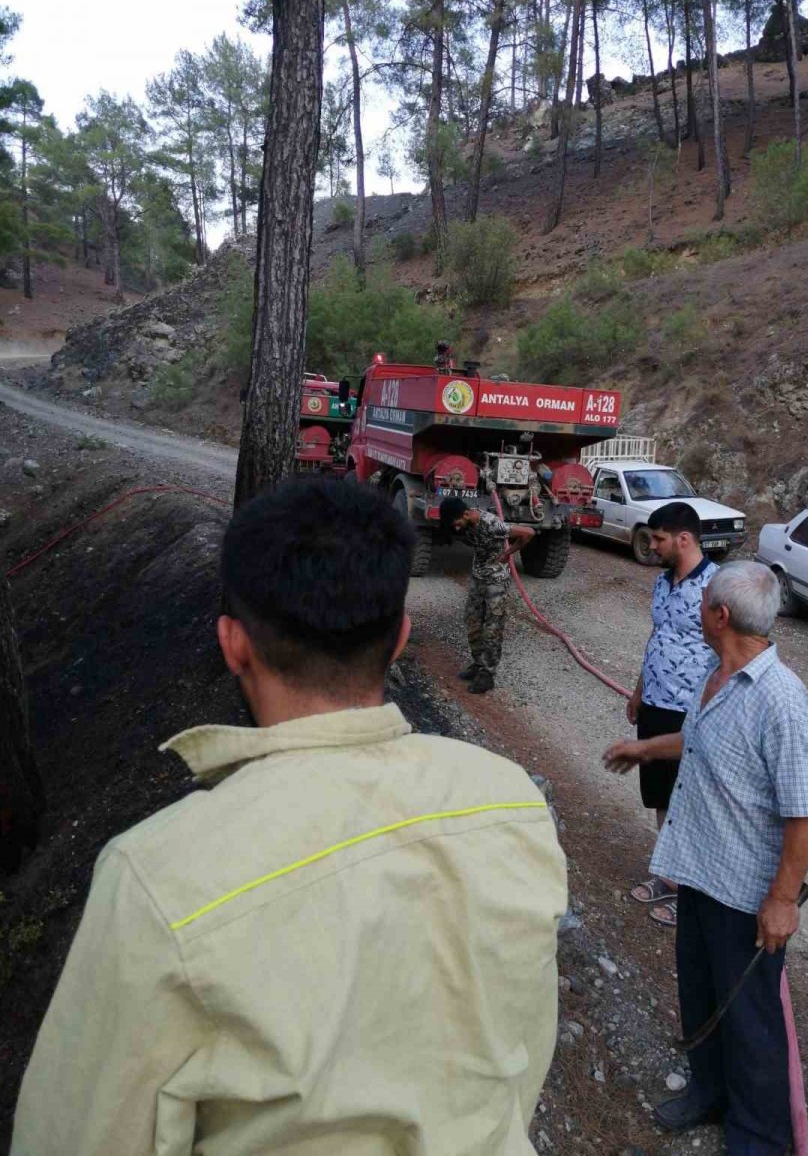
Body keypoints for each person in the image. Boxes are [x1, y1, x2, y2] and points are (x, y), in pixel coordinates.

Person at [13, 478, 567, 1156]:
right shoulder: (511, 804)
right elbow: (524, 1056)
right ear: (399, 638)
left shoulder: (157, 879)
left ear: (233, 644)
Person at [604, 561, 808, 1156]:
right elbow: (699, 738)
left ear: (719, 616)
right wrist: (647, 746)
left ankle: (759, 1135)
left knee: (750, 1019)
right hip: (696, 870)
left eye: (703, 603)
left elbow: (806, 814)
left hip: (746, 894)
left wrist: (782, 900)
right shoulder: (715, 671)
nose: (697, 609)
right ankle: (709, 1092)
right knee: (699, 995)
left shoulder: (781, 700)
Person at [626, 502, 716, 927]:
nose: (653, 545)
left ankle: (694, 894)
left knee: (694, 803)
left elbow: (736, 654)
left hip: (694, 715)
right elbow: (658, 635)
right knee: (661, 796)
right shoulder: (662, 583)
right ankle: (670, 875)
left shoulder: (718, 588)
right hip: (655, 705)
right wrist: (639, 691)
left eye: (660, 539)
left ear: (683, 538)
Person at [438, 497, 534, 694]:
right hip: (478, 577)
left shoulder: (492, 525)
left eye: (457, 523)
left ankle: (488, 674)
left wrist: (508, 553)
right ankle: (478, 663)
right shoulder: (466, 523)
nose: (456, 528)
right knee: (472, 621)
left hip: (496, 581)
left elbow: (528, 533)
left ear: (465, 515)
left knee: (492, 627)